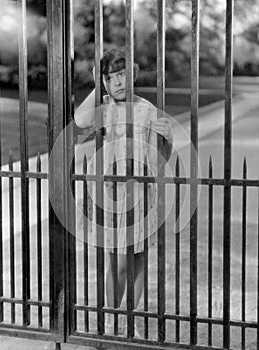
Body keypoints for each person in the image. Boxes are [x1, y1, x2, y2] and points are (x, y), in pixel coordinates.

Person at [75, 49, 173, 336]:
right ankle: (112, 317)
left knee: (138, 259)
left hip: (140, 195)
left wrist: (169, 138)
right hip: (109, 195)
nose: (118, 82)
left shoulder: (147, 109)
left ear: (133, 75)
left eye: (122, 75)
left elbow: (158, 159)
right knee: (116, 261)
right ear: (103, 81)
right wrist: (97, 86)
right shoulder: (102, 107)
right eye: (110, 77)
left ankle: (129, 316)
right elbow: (80, 121)